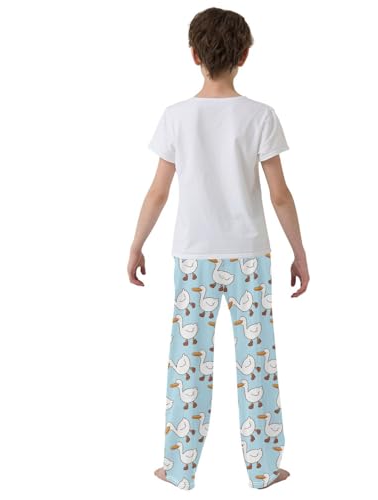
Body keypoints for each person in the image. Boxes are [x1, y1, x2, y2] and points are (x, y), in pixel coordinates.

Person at [127, 7, 309, 490]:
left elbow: (158, 192)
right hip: (250, 257)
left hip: (193, 259)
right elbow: (280, 195)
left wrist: (137, 244)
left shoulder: (176, 117)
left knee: (188, 363)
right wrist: (299, 252)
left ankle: (178, 468)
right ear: (245, 55)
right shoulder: (260, 116)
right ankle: (264, 468)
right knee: (258, 361)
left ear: (194, 55)